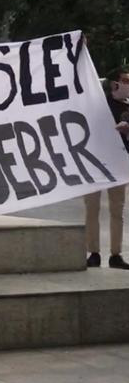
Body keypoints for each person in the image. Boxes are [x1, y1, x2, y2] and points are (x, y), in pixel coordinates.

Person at [85, 65, 129, 269]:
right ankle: (94, 253)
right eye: (126, 81)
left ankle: (115, 255)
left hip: (119, 165)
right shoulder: (99, 104)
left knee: (116, 211)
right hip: (95, 164)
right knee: (92, 210)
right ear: (114, 84)